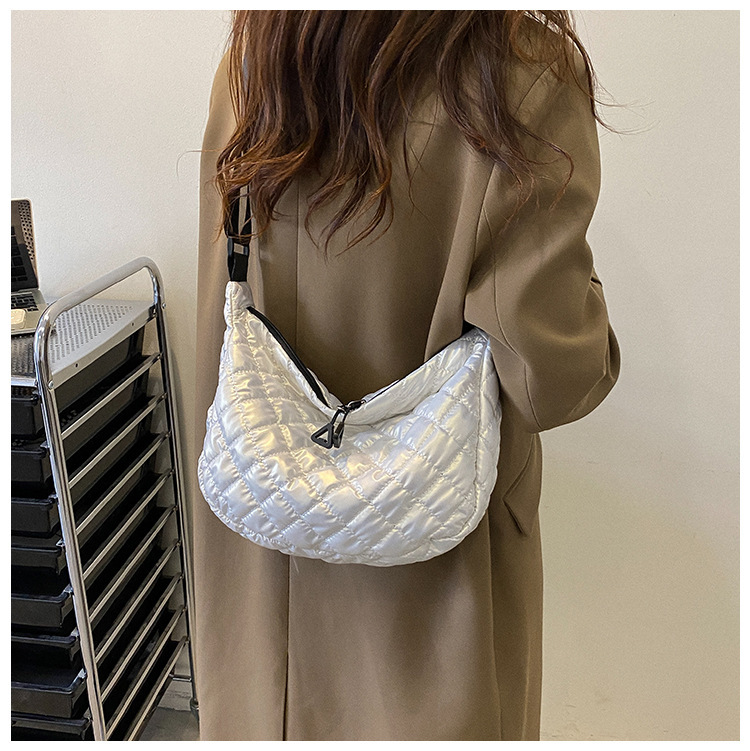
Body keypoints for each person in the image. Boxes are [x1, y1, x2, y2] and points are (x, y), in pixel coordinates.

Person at [191, 10, 620, 741]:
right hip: (436, 587)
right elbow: (553, 378)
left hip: (260, 557)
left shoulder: (256, 58)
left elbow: (221, 316)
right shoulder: (520, 76)